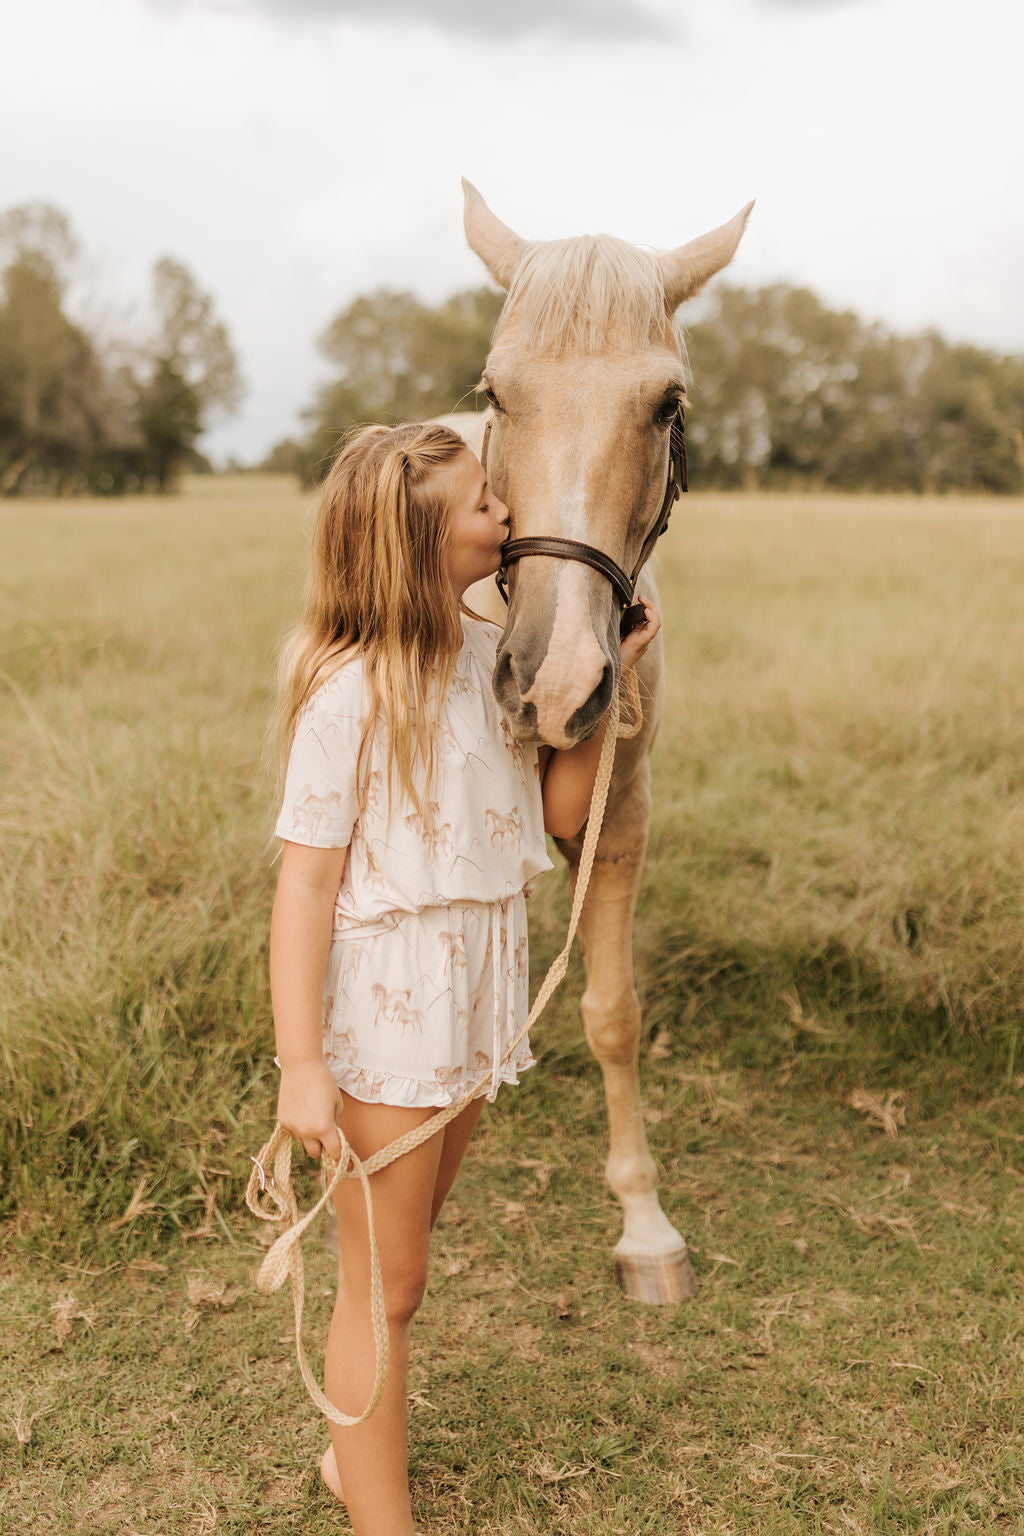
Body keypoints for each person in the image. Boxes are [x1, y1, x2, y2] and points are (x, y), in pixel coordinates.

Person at [269, 421, 660, 1536]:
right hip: (391, 1009)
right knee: (381, 1290)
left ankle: (357, 1456)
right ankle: (376, 1515)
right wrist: (303, 1066)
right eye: (486, 502)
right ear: (419, 541)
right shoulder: (348, 693)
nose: (509, 516)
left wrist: (606, 687)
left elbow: (556, 816)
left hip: (477, 1002)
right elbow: (303, 890)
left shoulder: (491, 662)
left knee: (404, 1262)